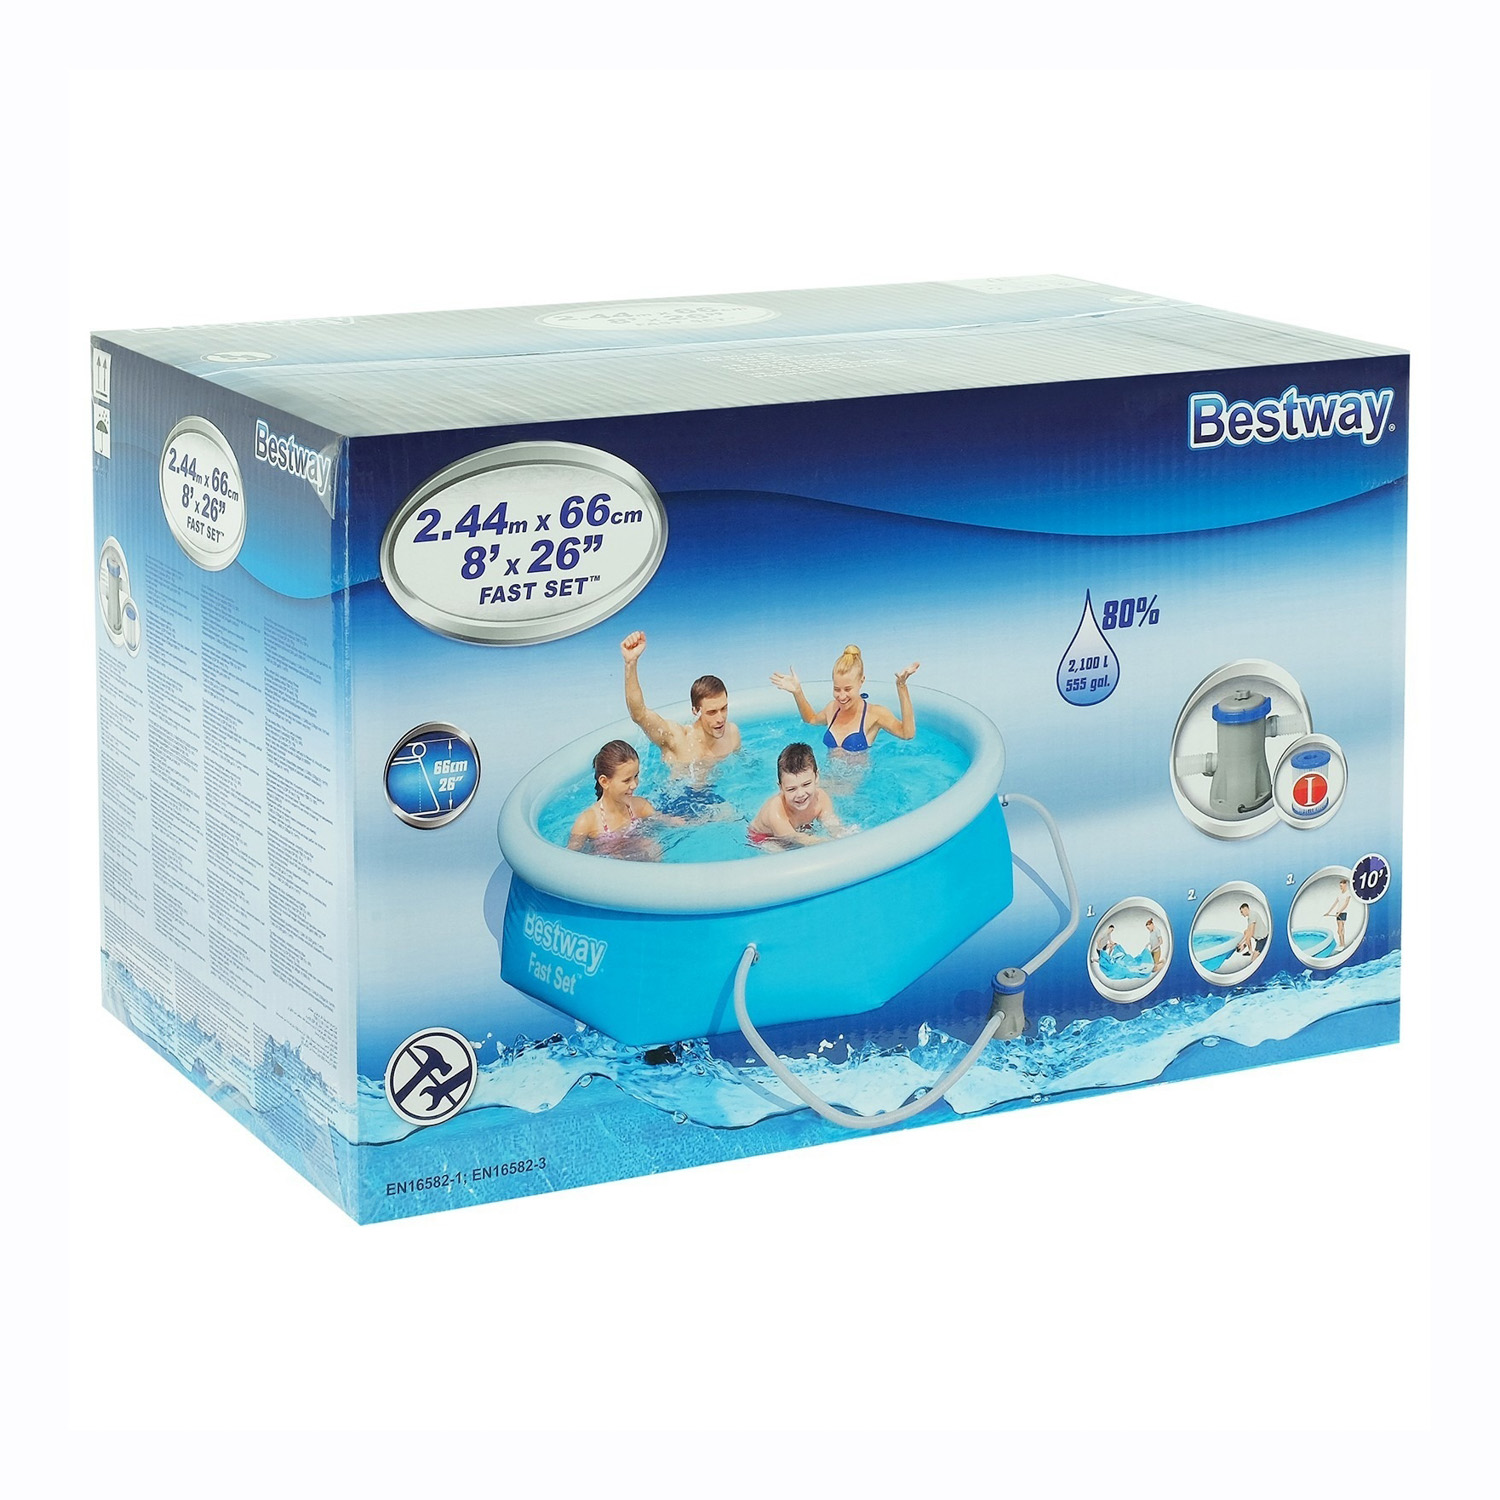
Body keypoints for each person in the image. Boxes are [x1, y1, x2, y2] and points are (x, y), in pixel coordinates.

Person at [621, 630, 740, 769]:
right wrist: (630, 663)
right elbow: (639, 715)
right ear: (695, 711)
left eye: (724, 708)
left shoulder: (732, 734)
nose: (720, 719)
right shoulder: (677, 740)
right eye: (712, 712)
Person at [770, 644, 919, 752]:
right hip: (827, 778)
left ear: (861, 681)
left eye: (848, 689)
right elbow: (811, 719)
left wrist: (901, 686)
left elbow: (907, 734)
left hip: (856, 786)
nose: (841, 696)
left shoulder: (875, 714)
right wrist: (797, 692)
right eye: (836, 689)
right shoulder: (832, 709)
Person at [567, 741, 666, 859]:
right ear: (604, 782)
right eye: (627, 780)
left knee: (651, 845)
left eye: (636, 776)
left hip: (638, 858)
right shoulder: (587, 821)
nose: (634, 785)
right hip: (607, 864)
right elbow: (570, 857)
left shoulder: (640, 806)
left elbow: (666, 821)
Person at [748, 743, 843, 848]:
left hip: (798, 828)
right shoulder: (776, 812)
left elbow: (832, 823)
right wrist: (828, 842)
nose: (800, 794)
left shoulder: (821, 798)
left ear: (816, 777)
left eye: (806, 784)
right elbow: (795, 838)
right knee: (781, 852)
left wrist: (842, 834)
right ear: (781, 787)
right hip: (765, 837)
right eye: (791, 789)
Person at [1324, 877, 1352, 949]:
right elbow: (1335, 903)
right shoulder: (1339, 894)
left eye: (1341, 886)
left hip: (1343, 913)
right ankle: (1342, 944)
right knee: (1340, 930)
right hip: (1338, 913)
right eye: (1340, 886)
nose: (1340, 887)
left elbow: (1346, 904)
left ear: (1345, 885)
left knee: (1340, 930)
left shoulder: (1348, 894)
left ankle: (1342, 945)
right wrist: (1328, 912)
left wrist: (1339, 912)